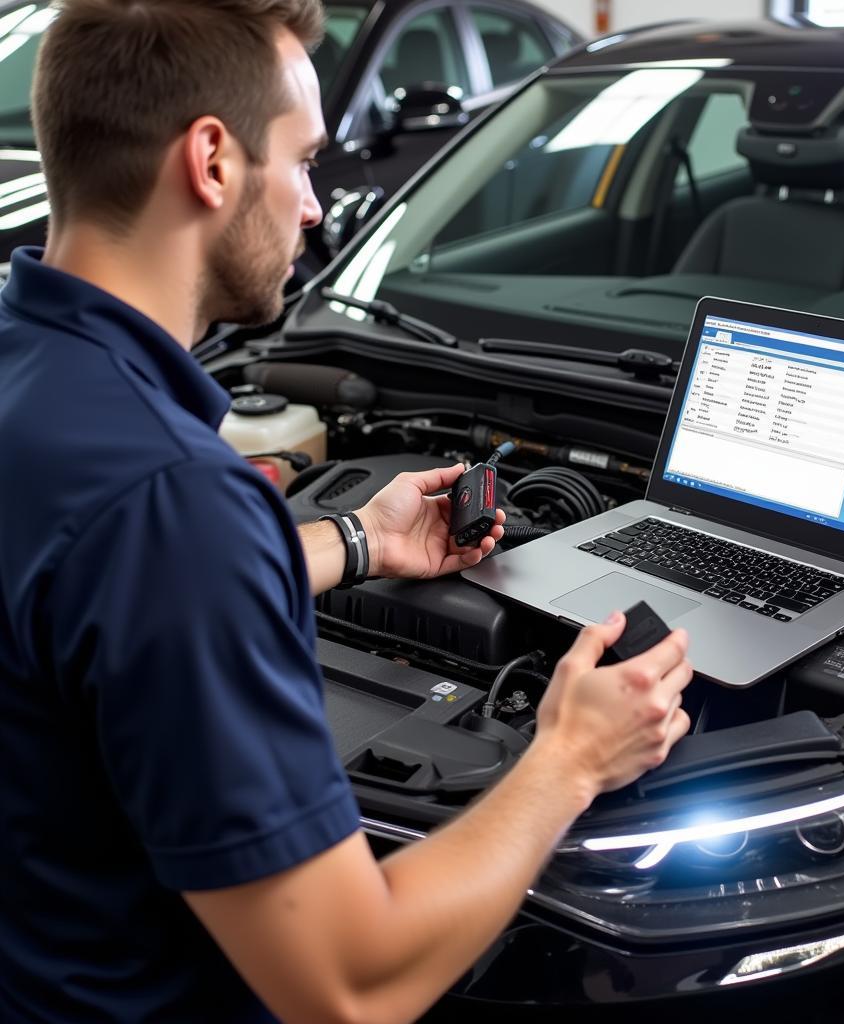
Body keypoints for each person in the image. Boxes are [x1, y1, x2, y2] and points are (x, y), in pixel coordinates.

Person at [0, 1, 693, 1021]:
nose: (317, 206)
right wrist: (569, 758)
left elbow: (88, 585)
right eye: (303, 160)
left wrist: (361, 539)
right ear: (211, 162)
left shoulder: (30, 371)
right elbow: (351, 985)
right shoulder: (173, 503)